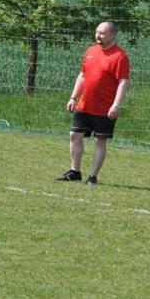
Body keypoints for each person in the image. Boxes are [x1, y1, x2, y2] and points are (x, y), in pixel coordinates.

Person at [57, 20, 130, 186]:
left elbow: (123, 82)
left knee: (100, 141)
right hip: (84, 105)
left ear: (112, 35)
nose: (98, 35)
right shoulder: (90, 51)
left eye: (102, 33)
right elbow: (82, 75)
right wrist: (73, 97)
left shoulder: (120, 56)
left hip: (104, 108)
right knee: (74, 135)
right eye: (97, 32)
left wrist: (116, 104)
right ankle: (75, 172)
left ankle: (93, 177)